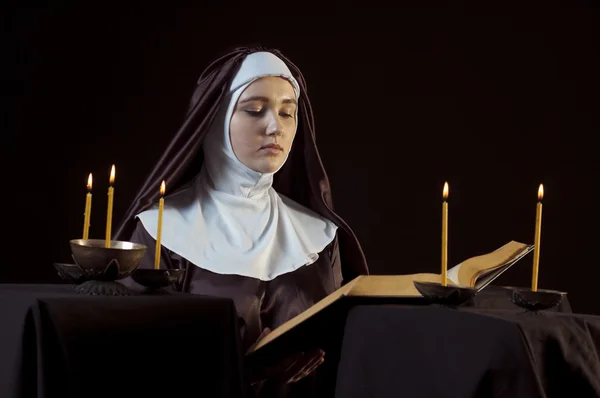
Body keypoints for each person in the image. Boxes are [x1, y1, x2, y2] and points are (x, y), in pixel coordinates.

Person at [114, 46, 369, 397]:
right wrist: (246, 370)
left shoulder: (321, 237)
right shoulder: (161, 230)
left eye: (287, 113)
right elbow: (129, 364)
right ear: (215, 121)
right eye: (254, 110)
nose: (274, 127)